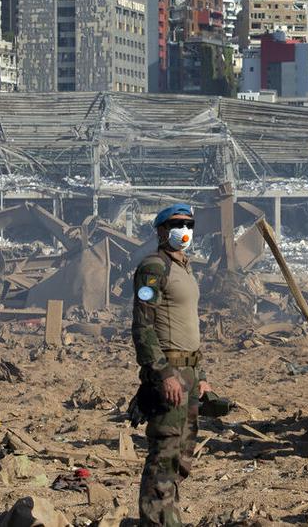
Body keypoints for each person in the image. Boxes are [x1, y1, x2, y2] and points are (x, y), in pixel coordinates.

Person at [132, 203, 214, 526]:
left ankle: (170, 517)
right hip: (170, 373)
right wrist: (163, 373)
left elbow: (189, 325)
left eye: (189, 225)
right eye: (178, 224)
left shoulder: (185, 269)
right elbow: (143, 326)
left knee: (182, 455)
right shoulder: (154, 267)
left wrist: (201, 374)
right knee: (164, 452)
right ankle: (155, 521)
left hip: (189, 373)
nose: (185, 231)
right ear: (162, 231)